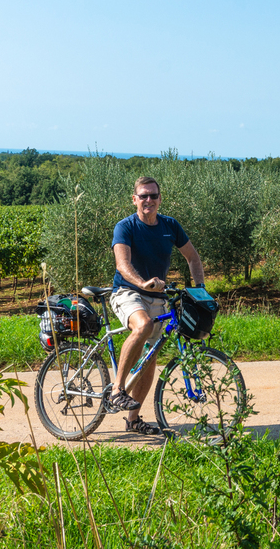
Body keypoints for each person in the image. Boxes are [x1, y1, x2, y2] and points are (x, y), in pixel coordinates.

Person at [107, 176, 206, 435]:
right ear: (135, 199)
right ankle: (117, 389)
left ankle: (133, 419)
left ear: (160, 198)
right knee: (143, 326)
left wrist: (200, 289)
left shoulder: (170, 226)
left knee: (150, 358)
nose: (148, 200)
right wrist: (143, 282)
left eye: (153, 195)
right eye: (143, 196)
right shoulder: (125, 227)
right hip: (127, 292)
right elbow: (122, 264)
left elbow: (193, 258)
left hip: (158, 297)